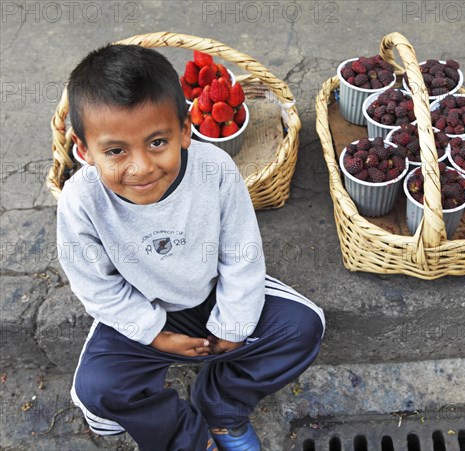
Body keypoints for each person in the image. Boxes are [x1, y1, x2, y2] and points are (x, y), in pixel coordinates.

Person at [56, 43, 325, 451]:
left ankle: (222, 406)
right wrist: (153, 334)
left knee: (302, 328)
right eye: (115, 151)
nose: (142, 167)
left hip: (213, 291)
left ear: (185, 129)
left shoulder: (214, 170)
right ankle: (187, 437)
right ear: (83, 149)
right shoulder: (81, 201)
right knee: (98, 388)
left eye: (157, 142)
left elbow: (241, 251)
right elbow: (97, 287)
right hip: (142, 306)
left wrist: (233, 325)